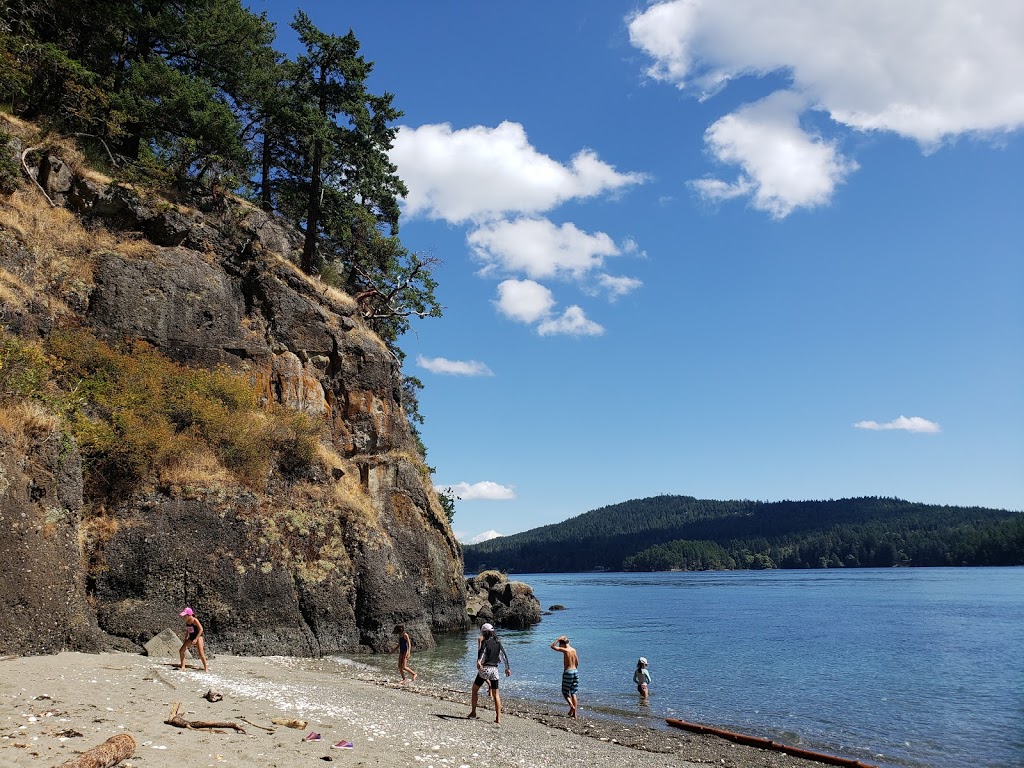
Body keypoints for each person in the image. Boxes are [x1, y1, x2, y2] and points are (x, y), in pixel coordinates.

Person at [468, 623, 510, 723]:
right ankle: (498, 718)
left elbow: (482, 652)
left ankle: (473, 712)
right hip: (495, 670)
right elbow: (504, 656)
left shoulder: (485, 642)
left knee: (474, 690)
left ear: (485, 632)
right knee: (496, 695)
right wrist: (507, 668)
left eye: (483, 632)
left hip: (486, 669)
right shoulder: (498, 642)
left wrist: (478, 661)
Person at [550, 635, 579, 718]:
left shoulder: (565, 650)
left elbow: (552, 646)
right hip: (575, 672)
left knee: (565, 692)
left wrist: (558, 639)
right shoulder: (574, 650)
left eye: (560, 644)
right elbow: (577, 662)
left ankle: (572, 706)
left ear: (562, 644)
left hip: (568, 672)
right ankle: (575, 714)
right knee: (573, 692)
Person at [178, 607, 208, 672]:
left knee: (201, 654)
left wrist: (196, 639)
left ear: (189, 615)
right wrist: (186, 637)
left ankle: (206, 668)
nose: (184, 617)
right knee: (181, 651)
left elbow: (201, 629)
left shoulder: (195, 620)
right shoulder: (187, 621)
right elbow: (188, 629)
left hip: (198, 637)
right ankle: (183, 666)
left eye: (185, 615)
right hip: (191, 637)